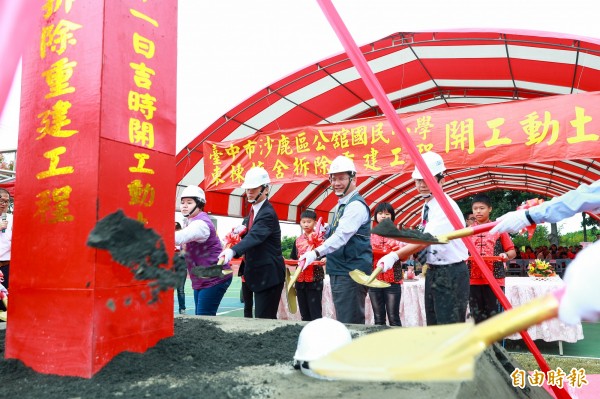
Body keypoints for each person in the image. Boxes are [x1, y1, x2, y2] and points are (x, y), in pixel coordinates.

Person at [489, 179, 600, 325]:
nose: (477, 212)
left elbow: (586, 196)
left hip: (495, 276)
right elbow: (585, 195)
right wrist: (529, 216)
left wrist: (528, 216)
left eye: (482, 208)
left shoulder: (500, 233)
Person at [377, 152, 469, 326]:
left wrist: (395, 255)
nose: (422, 185)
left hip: (451, 273)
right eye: (418, 180)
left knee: (449, 329)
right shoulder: (428, 205)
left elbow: (425, 240)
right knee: (434, 325)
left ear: (442, 180)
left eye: (428, 179)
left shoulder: (444, 206)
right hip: (434, 271)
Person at [299, 156, 372, 325]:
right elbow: (339, 232)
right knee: (345, 318)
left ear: (353, 179)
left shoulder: (355, 206)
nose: (336, 183)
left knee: (349, 321)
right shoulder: (343, 204)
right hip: (341, 270)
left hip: (350, 272)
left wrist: (315, 253)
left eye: (341, 178)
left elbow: (342, 237)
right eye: (333, 178)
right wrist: (327, 230)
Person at [219, 167, 285, 319]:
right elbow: (250, 232)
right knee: (255, 317)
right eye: (248, 189)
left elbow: (255, 237)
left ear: (266, 189)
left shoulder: (267, 213)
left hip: (269, 275)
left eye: (254, 189)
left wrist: (233, 251)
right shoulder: (254, 210)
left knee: (264, 320)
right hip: (257, 273)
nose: (249, 192)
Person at [176, 186, 232, 316]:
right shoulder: (190, 222)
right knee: (200, 319)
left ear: (200, 205)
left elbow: (180, 237)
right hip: (202, 277)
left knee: (204, 319)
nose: (184, 206)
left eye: (189, 203)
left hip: (214, 277)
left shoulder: (200, 224)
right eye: (182, 202)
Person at [468, 193, 516, 323]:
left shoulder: (499, 229)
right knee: (477, 319)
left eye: (482, 208)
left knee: (495, 320)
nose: (478, 211)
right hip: (472, 280)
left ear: (490, 209)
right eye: (475, 208)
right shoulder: (467, 231)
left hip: (495, 280)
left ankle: (496, 344)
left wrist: (505, 255)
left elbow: (512, 252)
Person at [369, 202, 404, 326]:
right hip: (374, 278)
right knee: (378, 317)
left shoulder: (398, 234)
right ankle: (380, 343)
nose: (383, 216)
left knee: (394, 316)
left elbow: (403, 256)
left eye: (387, 213)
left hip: (393, 279)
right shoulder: (370, 235)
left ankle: (398, 344)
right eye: (380, 213)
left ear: (392, 216)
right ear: (376, 216)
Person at [290, 210, 325, 321]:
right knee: (304, 312)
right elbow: (293, 258)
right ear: (300, 222)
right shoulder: (297, 240)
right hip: (300, 280)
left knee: (315, 312)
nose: (306, 224)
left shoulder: (320, 239)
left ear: (315, 223)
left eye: (309, 222)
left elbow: (326, 255)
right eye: (303, 222)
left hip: (315, 279)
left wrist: (325, 259)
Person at [0, 188, 12, 290]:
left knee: (5, 301)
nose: (4, 204)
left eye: (6, 201)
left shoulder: (12, 218)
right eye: (1, 200)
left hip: (6, 266)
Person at [174, 221, 187, 315]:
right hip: (171, 266)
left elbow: (185, 252)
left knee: (180, 289)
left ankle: (182, 309)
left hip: (181, 265)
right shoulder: (168, 238)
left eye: (177, 230)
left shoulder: (184, 240)